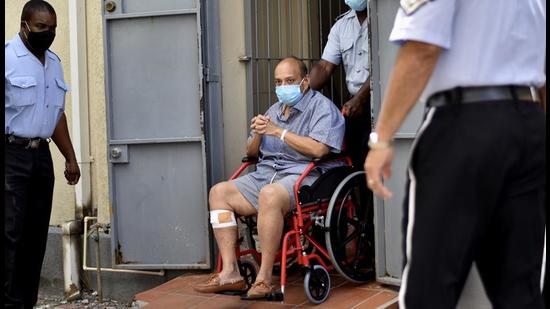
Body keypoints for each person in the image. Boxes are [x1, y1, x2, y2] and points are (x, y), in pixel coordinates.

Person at [363, 1, 546, 308]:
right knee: (520, 291)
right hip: (529, 121)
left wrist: (381, 138)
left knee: (428, 290)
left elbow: (422, 47)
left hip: (462, 125)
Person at [193, 57, 345, 299]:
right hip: (266, 175)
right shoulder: (273, 111)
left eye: (289, 81)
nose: (283, 87)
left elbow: (318, 150)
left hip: (305, 177)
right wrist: (258, 134)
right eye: (278, 82)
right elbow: (251, 154)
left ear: (304, 82)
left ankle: (264, 279)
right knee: (218, 192)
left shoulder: (323, 108)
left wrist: (280, 132)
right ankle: (231, 272)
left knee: (270, 194)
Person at [5, 1, 81, 307]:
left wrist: (70, 157)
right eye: (41, 27)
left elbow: (56, 114)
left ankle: (25, 303)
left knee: (34, 238)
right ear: (24, 25)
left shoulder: (54, 62)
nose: (47, 33)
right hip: (10, 155)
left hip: (41, 158)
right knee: (9, 235)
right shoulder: (8, 58)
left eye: (52, 28)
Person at [309, 0, 371, 170]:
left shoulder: (386, 21)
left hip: (382, 101)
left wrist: (361, 98)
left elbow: (385, 66)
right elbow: (325, 66)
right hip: (355, 108)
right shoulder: (341, 26)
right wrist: (302, 89)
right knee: (358, 165)